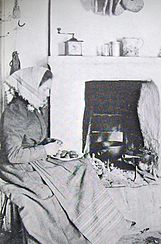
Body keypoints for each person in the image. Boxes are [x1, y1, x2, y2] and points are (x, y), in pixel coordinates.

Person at [0, 66, 133, 244]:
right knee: (54, 191)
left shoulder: (33, 107)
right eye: (45, 89)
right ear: (32, 87)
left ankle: (99, 227)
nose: (48, 94)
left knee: (82, 166)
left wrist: (48, 143)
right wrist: (46, 151)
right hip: (18, 168)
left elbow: (30, 139)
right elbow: (13, 155)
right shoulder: (15, 112)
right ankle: (72, 236)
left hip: (34, 159)